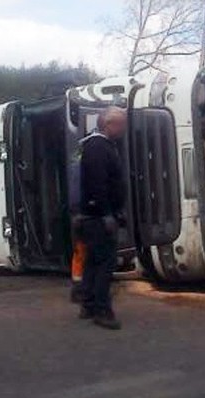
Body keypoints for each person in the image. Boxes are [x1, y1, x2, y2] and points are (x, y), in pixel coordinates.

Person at [79, 106, 127, 330]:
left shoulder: (96, 145)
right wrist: (107, 213)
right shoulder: (98, 147)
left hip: (92, 215)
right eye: (121, 124)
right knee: (105, 264)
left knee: (92, 261)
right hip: (98, 216)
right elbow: (98, 183)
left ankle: (87, 304)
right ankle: (102, 310)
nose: (123, 129)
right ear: (109, 124)